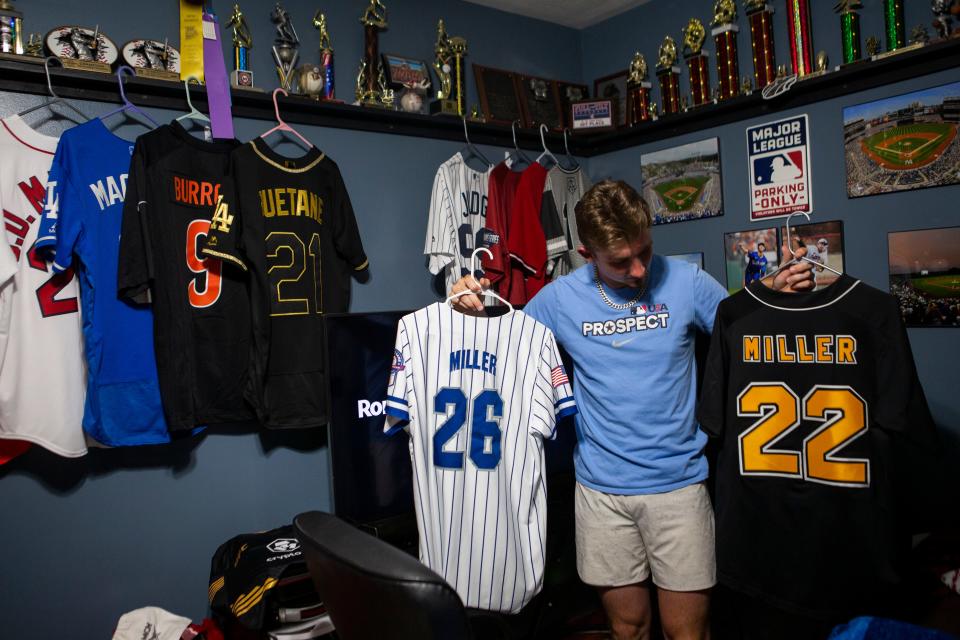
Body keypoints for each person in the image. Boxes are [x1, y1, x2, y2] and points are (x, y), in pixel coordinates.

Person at [450, 180, 812, 640]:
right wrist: (472, 309)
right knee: (629, 628)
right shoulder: (560, 299)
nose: (639, 270)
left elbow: (740, 330)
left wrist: (771, 295)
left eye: (645, 251)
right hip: (602, 494)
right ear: (586, 253)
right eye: (621, 262)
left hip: (678, 488)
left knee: (688, 634)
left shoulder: (685, 281)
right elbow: (501, 344)